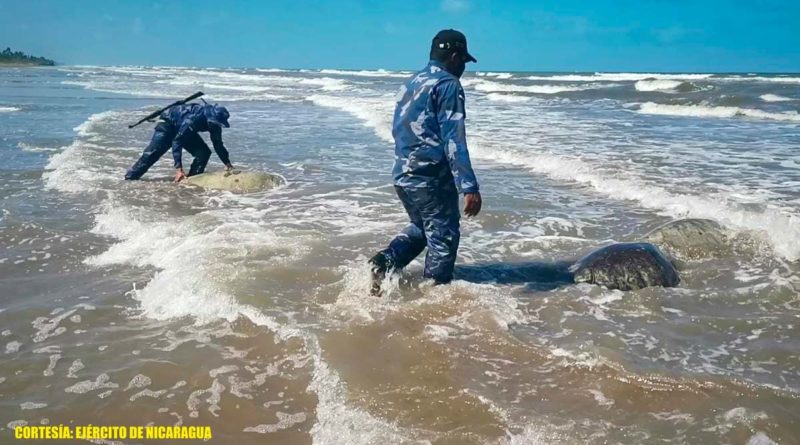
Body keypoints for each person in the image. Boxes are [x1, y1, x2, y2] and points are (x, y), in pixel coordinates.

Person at [369, 29, 482, 295]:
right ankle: (433, 296)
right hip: (430, 178)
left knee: (422, 227)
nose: (463, 67)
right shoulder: (448, 84)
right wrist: (469, 186)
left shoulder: (412, 82)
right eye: (463, 61)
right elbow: (454, 139)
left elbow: (399, 129)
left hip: (403, 174)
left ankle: (382, 264)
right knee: (443, 237)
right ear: (454, 57)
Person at [125, 102, 234, 182]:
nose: (214, 126)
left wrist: (227, 163)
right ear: (209, 118)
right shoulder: (194, 118)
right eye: (213, 123)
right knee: (152, 154)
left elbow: (218, 144)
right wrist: (179, 169)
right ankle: (130, 178)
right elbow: (177, 141)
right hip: (168, 125)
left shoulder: (215, 124)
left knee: (203, 153)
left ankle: (192, 179)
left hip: (184, 129)